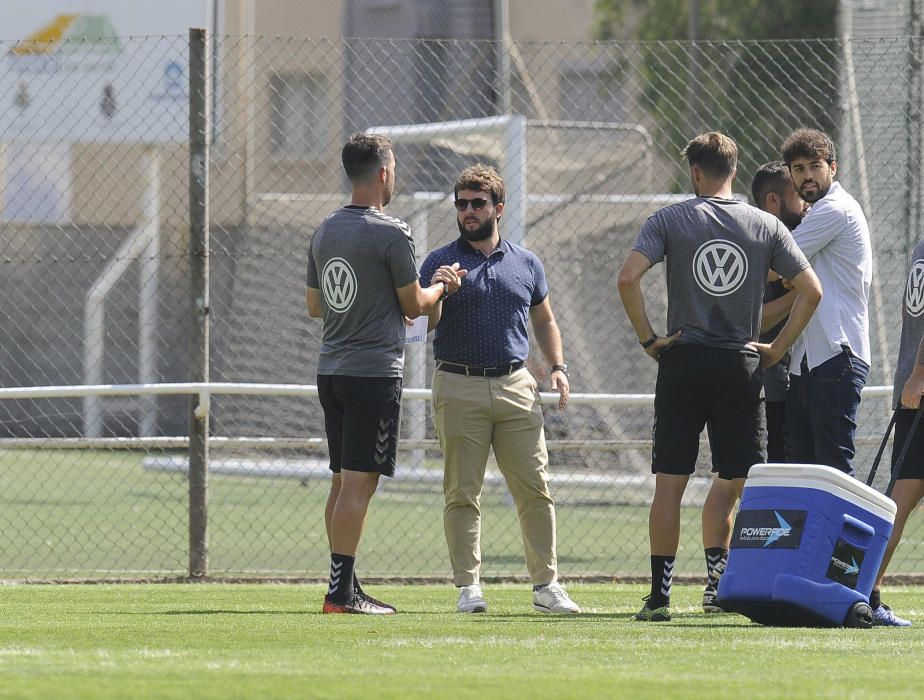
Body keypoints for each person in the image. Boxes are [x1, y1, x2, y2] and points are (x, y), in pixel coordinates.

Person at [617, 132, 822, 621]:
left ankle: (660, 597)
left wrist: (649, 339)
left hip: (683, 360)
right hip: (740, 365)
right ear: (734, 170)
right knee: (731, 480)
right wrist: (775, 349)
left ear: (694, 172)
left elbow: (627, 278)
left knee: (670, 483)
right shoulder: (765, 224)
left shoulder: (669, 220)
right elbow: (810, 290)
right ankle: (716, 588)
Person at [306, 133, 462, 614]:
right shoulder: (392, 232)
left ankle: (344, 585)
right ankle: (339, 594)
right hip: (372, 374)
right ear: (384, 174)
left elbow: (316, 306)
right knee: (359, 484)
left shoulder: (325, 230)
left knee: (340, 480)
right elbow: (414, 304)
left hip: (330, 370)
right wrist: (442, 286)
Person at [419, 164, 581, 615]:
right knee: (461, 490)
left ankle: (546, 586)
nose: (468, 211)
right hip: (457, 384)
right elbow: (422, 323)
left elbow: (544, 320)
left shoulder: (526, 262)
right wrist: (439, 293)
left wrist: (558, 367)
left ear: (498, 208)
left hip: (516, 385)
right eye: (461, 204)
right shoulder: (439, 261)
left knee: (535, 487)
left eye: (477, 203)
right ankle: (468, 588)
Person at [781, 128, 872, 477]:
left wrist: (787, 271)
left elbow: (780, 263)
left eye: (814, 166)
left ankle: (843, 536)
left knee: (833, 473)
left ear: (833, 168)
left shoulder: (835, 208)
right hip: (808, 361)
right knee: (803, 475)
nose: (806, 176)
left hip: (837, 356)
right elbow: (788, 269)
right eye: (798, 168)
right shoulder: (814, 215)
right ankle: (814, 536)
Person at [866, 241, 924, 627]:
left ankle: (863, 592)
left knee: (897, 502)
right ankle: (863, 593)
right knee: (898, 503)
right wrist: (919, 373)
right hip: (917, 389)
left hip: (914, 389)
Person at [751, 161, 809, 461]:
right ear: (773, 201)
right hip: (770, 392)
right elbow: (752, 322)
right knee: (771, 478)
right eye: (798, 195)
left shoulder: (807, 237)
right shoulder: (755, 247)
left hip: (804, 385)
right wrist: (804, 294)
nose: (806, 202)